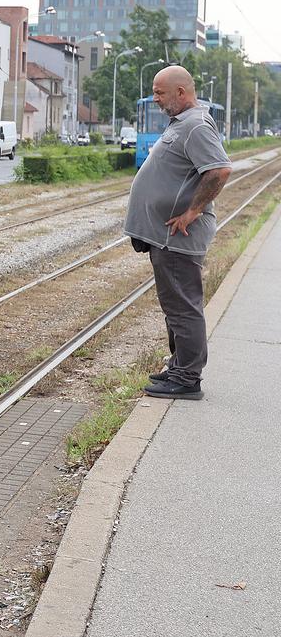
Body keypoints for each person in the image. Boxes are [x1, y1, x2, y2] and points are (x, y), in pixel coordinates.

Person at [124, 65, 231, 400]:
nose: (155, 99)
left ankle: (187, 378)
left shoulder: (196, 125)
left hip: (177, 238)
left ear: (181, 92)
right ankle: (179, 366)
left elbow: (219, 171)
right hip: (165, 236)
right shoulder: (182, 123)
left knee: (183, 306)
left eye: (160, 93)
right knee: (175, 306)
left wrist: (192, 211)